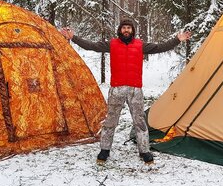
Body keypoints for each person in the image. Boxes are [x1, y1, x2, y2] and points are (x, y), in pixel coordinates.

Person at [60, 18, 191, 165]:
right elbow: (92, 46)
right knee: (110, 121)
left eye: (129, 28)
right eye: (124, 28)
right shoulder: (112, 44)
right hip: (117, 89)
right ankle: (104, 150)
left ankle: (144, 151)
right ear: (120, 30)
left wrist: (177, 39)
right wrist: (74, 38)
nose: (126, 30)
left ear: (132, 30)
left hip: (135, 90)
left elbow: (160, 47)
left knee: (140, 122)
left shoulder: (140, 45)